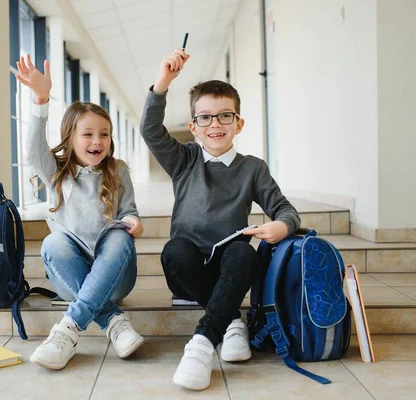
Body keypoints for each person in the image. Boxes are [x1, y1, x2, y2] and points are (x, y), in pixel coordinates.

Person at [140, 48, 300, 390]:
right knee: (174, 251)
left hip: (232, 268)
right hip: (188, 271)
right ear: (193, 128)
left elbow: (286, 211)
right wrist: (163, 82)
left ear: (238, 123)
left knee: (245, 251)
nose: (215, 124)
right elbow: (151, 131)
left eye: (225, 116)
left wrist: (280, 226)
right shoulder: (183, 160)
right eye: (205, 118)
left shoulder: (253, 168)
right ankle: (230, 322)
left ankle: (201, 343)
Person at [15, 54, 145, 370]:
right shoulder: (56, 172)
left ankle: (68, 328)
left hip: (116, 275)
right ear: (71, 138)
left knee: (118, 238)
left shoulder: (119, 172)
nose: (97, 141)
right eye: (87, 134)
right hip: (70, 277)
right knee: (53, 243)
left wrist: (133, 222)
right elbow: (32, 149)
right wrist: (40, 100)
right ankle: (113, 321)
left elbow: (129, 210)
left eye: (104, 134)